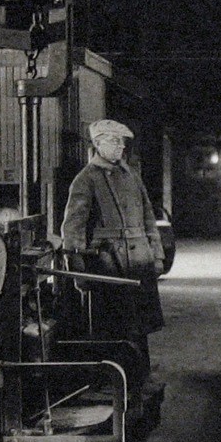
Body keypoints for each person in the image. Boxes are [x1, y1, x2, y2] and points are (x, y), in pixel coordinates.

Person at [59, 119, 165, 370]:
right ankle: (115, 380)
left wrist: (157, 255)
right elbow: (72, 229)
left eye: (122, 141)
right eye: (114, 140)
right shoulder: (85, 179)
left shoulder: (131, 175)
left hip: (138, 260)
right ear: (97, 144)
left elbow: (149, 216)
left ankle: (140, 374)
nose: (120, 146)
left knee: (139, 326)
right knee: (112, 325)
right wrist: (79, 271)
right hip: (108, 264)